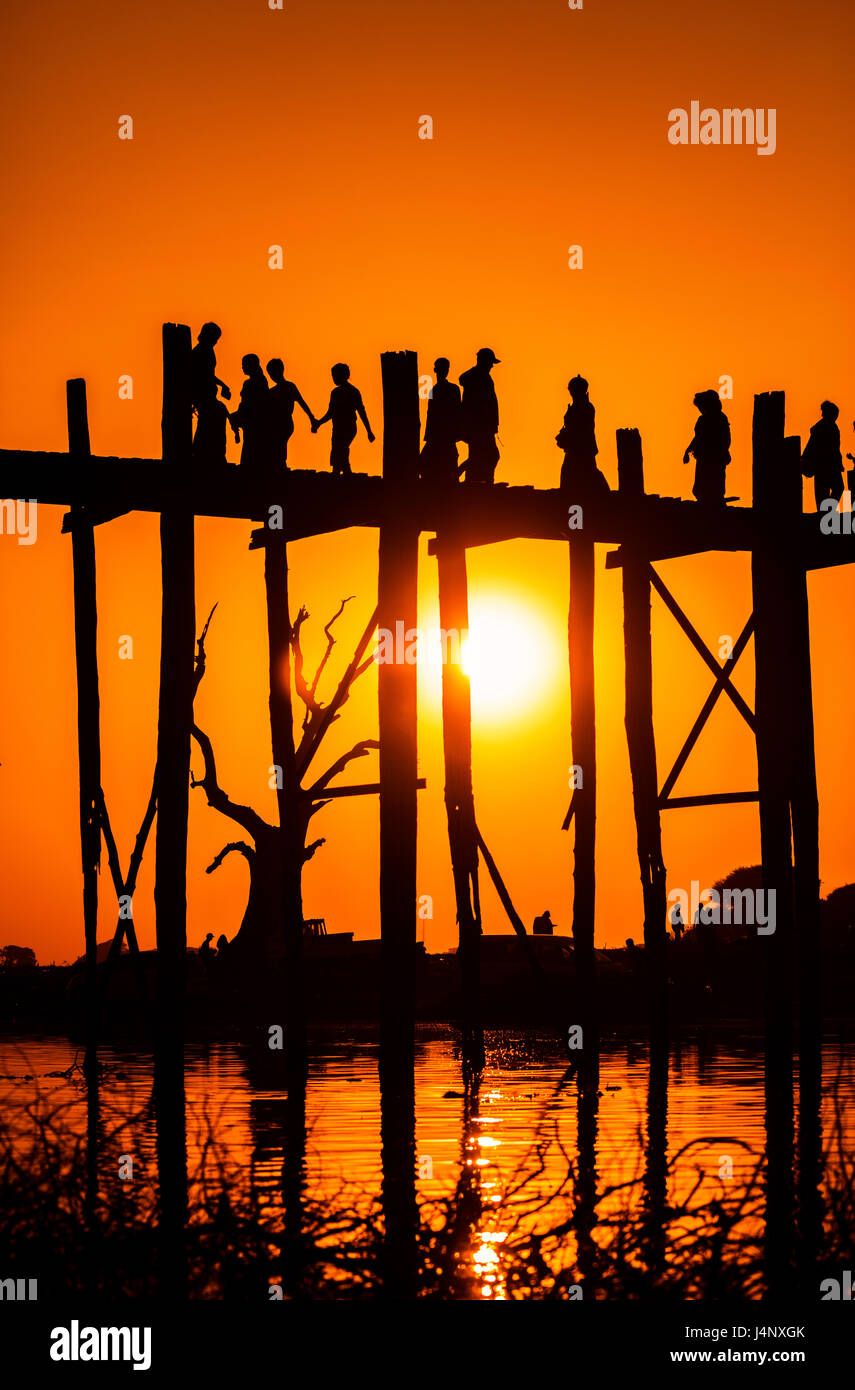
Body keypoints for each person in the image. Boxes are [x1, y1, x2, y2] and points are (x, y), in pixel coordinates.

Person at [312, 363, 375, 476]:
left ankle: (344, 473)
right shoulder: (335, 393)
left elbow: (361, 412)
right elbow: (330, 413)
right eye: (333, 376)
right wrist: (319, 423)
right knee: (338, 449)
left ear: (345, 375)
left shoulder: (352, 392)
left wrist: (369, 431)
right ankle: (342, 473)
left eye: (336, 375)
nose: (334, 378)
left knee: (341, 448)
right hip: (337, 428)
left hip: (349, 427)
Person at [556, 374, 609, 498]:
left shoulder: (585, 407)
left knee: (586, 476)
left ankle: (604, 499)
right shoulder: (577, 407)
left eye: (573, 390)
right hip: (575, 450)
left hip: (582, 450)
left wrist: (566, 438)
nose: (571, 392)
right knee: (574, 477)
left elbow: (581, 430)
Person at [191, 322, 231, 465]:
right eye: (215, 337)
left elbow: (209, 374)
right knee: (209, 422)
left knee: (211, 421)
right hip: (203, 394)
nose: (216, 341)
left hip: (208, 393)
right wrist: (222, 385)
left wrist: (222, 385)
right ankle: (201, 453)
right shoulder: (201, 351)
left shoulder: (207, 350)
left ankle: (205, 453)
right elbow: (203, 375)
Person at [265, 358, 317, 468]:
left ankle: (281, 467)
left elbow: (302, 402)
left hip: (285, 422)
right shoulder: (272, 391)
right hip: (275, 423)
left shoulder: (289, 387)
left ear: (281, 370)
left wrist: (311, 418)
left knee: (279, 445)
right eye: (270, 373)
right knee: (277, 446)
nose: (272, 375)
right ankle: (279, 466)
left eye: (273, 372)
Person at [459, 348, 500, 483]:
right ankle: (480, 479)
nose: (492, 366)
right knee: (489, 455)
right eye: (490, 362)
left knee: (481, 455)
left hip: (483, 426)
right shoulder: (477, 377)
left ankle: (477, 480)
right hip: (479, 426)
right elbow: (480, 404)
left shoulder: (481, 377)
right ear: (484, 361)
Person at [683, 390, 731, 503]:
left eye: (701, 406)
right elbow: (698, 437)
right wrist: (688, 450)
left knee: (713, 486)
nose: (699, 409)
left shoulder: (719, 419)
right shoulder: (703, 419)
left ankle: (714, 503)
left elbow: (725, 439)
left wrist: (717, 452)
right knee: (700, 489)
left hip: (714, 458)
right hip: (703, 458)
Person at [419, 357, 461, 483]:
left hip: (443, 436)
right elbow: (432, 414)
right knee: (441, 464)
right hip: (441, 436)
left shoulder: (442, 390)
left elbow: (457, 412)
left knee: (442, 464)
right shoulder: (442, 390)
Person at [229, 354, 270, 471]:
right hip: (250, 419)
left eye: (244, 364)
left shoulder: (257, 381)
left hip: (254, 420)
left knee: (251, 449)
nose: (242, 367)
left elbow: (255, 403)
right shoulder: (255, 381)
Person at [802, 400, 844, 512]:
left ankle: (827, 512)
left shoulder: (832, 428)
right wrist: (804, 461)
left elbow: (835, 449)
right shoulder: (820, 429)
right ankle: (825, 514)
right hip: (822, 467)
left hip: (831, 467)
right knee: (824, 493)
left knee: (836, 489)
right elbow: (811, 447)